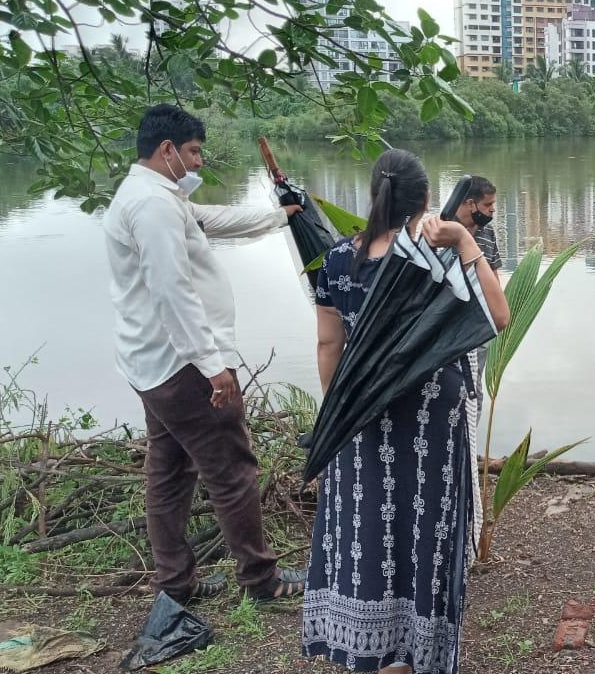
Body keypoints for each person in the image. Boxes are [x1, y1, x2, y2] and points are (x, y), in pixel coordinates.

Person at [303, 149, 510, 674]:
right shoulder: (433, 262)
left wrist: (337, 420)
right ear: (423, 200)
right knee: (423, 536)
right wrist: (465, 241)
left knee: (368, 531)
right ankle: (414, 655)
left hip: (358, 421)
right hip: (427, 425)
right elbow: (497, 314)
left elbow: (330, 347)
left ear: (375, 194)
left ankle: (372, 652)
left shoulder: (336, 260)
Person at [101, 103, 307, 603]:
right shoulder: (152, 207)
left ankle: (176, 584)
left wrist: (277, 217)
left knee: (168, 472)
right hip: (183, 366)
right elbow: (172, 292)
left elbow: (207, 220)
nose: (197, 163)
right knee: (232, 469)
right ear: (168, 149)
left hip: (150, 362)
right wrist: (213, 367)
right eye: (193, 152)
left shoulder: (152, 196)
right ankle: (261, 580)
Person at [448, 176, 502, 419]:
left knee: (474, 389)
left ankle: (469, 448)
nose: (492, 210)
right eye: (488, 205)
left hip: (478, 328)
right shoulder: (441, 231)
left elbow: (493, 274)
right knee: (449, 388)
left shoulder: (487, 233)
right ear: (471, 204)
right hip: (448, 328)